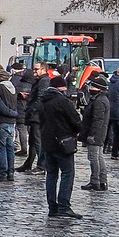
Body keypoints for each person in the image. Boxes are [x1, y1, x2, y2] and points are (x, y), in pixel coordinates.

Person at [37, 76, 83, 219]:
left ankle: (52, 207)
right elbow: (75, 120)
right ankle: (64, 206)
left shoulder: (43, 101)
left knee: (51, 175)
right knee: (67, 174)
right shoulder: (63, 101)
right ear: (61, 88)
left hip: (47, 142)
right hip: (63, 142)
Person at [78, 74, 111, 192]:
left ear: (99, 89)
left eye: (93, 87)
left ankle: (95, 181)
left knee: (94, 157)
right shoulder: (100, 99)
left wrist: (91, 135)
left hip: (96, 134)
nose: (90, 88)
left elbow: (97, 120)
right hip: (99, 133)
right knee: (99, 157)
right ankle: (102, 181)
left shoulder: (99, 101)